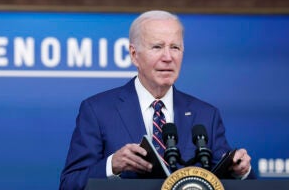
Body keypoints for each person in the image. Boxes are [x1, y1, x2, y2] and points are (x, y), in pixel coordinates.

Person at [59, 10, 254, 190]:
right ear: (134, 55)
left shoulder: (205, 115)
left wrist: (242, 171)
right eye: (157, 47)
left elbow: (229, 180)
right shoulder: (97, 110)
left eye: (175, 47)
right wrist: (112, 165)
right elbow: (69, 184)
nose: (168, 57)